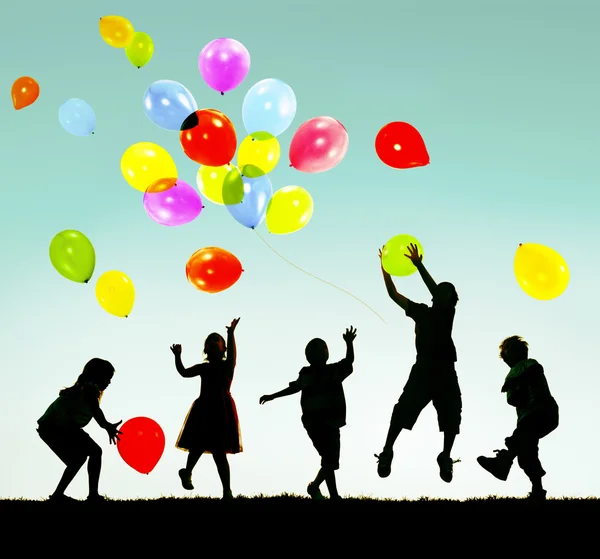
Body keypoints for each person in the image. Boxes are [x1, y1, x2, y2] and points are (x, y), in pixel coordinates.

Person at [375, 243, 462, 483]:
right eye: (444, 290)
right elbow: (393, 295)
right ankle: (387, 450)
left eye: (448, 291)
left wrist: (419, 264)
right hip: (423, 369)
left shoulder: (448, 314)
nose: (445, 293)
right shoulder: (421, 311)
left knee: (452, 414)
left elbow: (435, 290)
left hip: (445, 370)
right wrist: (385, 268)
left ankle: (445, 457)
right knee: (403, 409)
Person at [260, 326, 357, 500]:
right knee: (329, 458)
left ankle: (319, 489)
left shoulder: (333, 371)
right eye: (317, 349)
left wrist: (349, 344)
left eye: (322, 347)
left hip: (330, 421)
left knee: (329, 460)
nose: (321, 351)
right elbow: (293, 388)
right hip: (314, 423)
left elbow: (349, 361)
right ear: (309, 356)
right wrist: (272, 396)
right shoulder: (307, 374)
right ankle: (329, 493)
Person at [477, 335, 559, 502]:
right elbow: (513, 399)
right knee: (526, 454)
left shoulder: (527, 364)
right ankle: (537, 490)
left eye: (508, 349)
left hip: (541, 410)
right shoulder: (512, 373)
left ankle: (503, 463)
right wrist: (514, 389)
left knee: (519, 440)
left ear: (520, 351)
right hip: (529, 416)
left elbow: (536, 371)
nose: (505, 355)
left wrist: (516, 383)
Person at [171, 317, 242, 500]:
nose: (211, 342)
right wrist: (178, 357)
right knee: (197, 444)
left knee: (219, 453)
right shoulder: (204, 368)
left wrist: (230, 333)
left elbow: (233, 355)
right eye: (209, 341)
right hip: (204, 410)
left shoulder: (227, 366)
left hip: (222, 411)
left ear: (223, 348)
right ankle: (187, 472)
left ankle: (227, 491)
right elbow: (184, 372)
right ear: (206, 350)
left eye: (215, 340)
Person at [37, 358, 123, 503]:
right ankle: (92, 495)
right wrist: (107, 426)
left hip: (55, 427)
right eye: (107, 378)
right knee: (94, 452)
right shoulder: (89, 388)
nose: (109, 382)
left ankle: (59, 495)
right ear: (97, 375)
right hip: (56, 427)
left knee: (78, 459)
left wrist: (106, 426)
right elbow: (96, 411)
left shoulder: (84, 388)